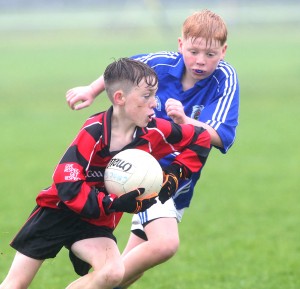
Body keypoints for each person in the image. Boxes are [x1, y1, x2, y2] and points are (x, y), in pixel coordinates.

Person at [0, 58, 211, 289]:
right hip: (57, 212)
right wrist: (112, 203)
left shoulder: (155, 131)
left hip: (94, 222)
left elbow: (200, 138)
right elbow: (66, 182)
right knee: (16, 284)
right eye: (146, 96)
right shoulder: (94, 130)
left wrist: (174, 174)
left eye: (155, 95)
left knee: (113, 272)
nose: (154, 103)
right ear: (120, 98)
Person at [66, 9, 239, 289]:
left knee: (133, 266)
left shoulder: (225, 80)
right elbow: (123, 70)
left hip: (180, 178)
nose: (200, 61)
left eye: (210, 54)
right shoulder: (159, 63)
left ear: (224, 51)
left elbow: (220, 136)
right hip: (143, 170)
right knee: (164, 244)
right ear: (181, 44)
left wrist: (186, 122)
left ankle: (101, 283)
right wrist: (90, 89)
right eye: (193, 51)